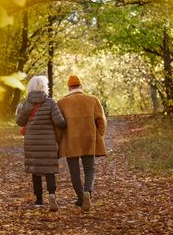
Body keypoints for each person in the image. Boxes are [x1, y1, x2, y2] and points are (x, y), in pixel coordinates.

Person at [56, 75, 107, 211]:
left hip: (70, 141)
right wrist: (99, 135)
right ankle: (87, 192)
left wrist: (58, 140)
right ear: (81, 86)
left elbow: (58, 125)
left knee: (74, 172)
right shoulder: (92, 100)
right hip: (89, 139)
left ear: (69, 87)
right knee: (89, 168)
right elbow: (101, 120)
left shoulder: (61, 103)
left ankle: (80, 198)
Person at [16, 75, 66, 212]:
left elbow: (20, 122)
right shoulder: (50, 103)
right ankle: (52, 194)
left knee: (36, 170)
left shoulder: (27, 103)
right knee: (49, 169)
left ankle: (38, 199)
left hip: (31, 142)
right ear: (45, 87)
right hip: (48, 141)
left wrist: (18, 111)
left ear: (31, 87)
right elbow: (60, 122)